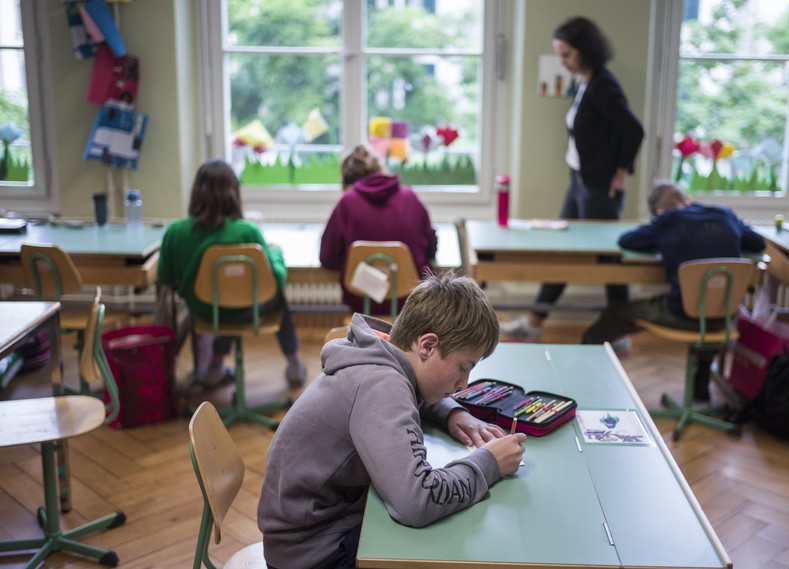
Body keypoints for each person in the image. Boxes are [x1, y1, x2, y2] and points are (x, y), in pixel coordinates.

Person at [257, 272, 526, 569]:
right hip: (314, 554)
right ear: (427, 345)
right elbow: (416, 501)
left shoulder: (381, 349)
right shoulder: (381, 386)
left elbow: (411, 383)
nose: (464, 383)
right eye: (463, 367)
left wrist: (452, 412)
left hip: (312, 532)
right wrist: (488, 463)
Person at [501, 16, 644, 348]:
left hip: (597, 189)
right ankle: (536, 321)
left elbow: (633, 130)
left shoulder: (604, 84)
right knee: (563, 251)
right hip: (579, 182)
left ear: (584, 51)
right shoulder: (586, 81)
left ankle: (618, 332)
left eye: (566, 55)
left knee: (610, 262)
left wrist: (621, 171)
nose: (562, 62)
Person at [581, 181, 765, 401]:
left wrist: (659, 228)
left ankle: (583, 366)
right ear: (686, 199)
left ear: (660, 212)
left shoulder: (669, 220)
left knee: (616, 312)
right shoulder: (724, 214)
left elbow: (627, 240)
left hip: (682, 315)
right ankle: (701, 381)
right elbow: (757, 243)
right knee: (708, 304)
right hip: (725, 316)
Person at [157, 159, 306, 387]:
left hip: (203, 312)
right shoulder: (247, 231)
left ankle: (216, 363)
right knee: (266, 298)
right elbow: (275, 280)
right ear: (233, 193)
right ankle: (294, 362)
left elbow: (165, 279)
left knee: (224, 297)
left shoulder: (175, 233)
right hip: (246, 310)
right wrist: (276, 254)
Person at [320, 144, 437, 314]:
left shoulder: (347, 202)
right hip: (411, 299)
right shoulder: (410, 197)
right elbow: (431, 248)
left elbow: (327, 258)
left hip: (361, 300)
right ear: (380, 170)